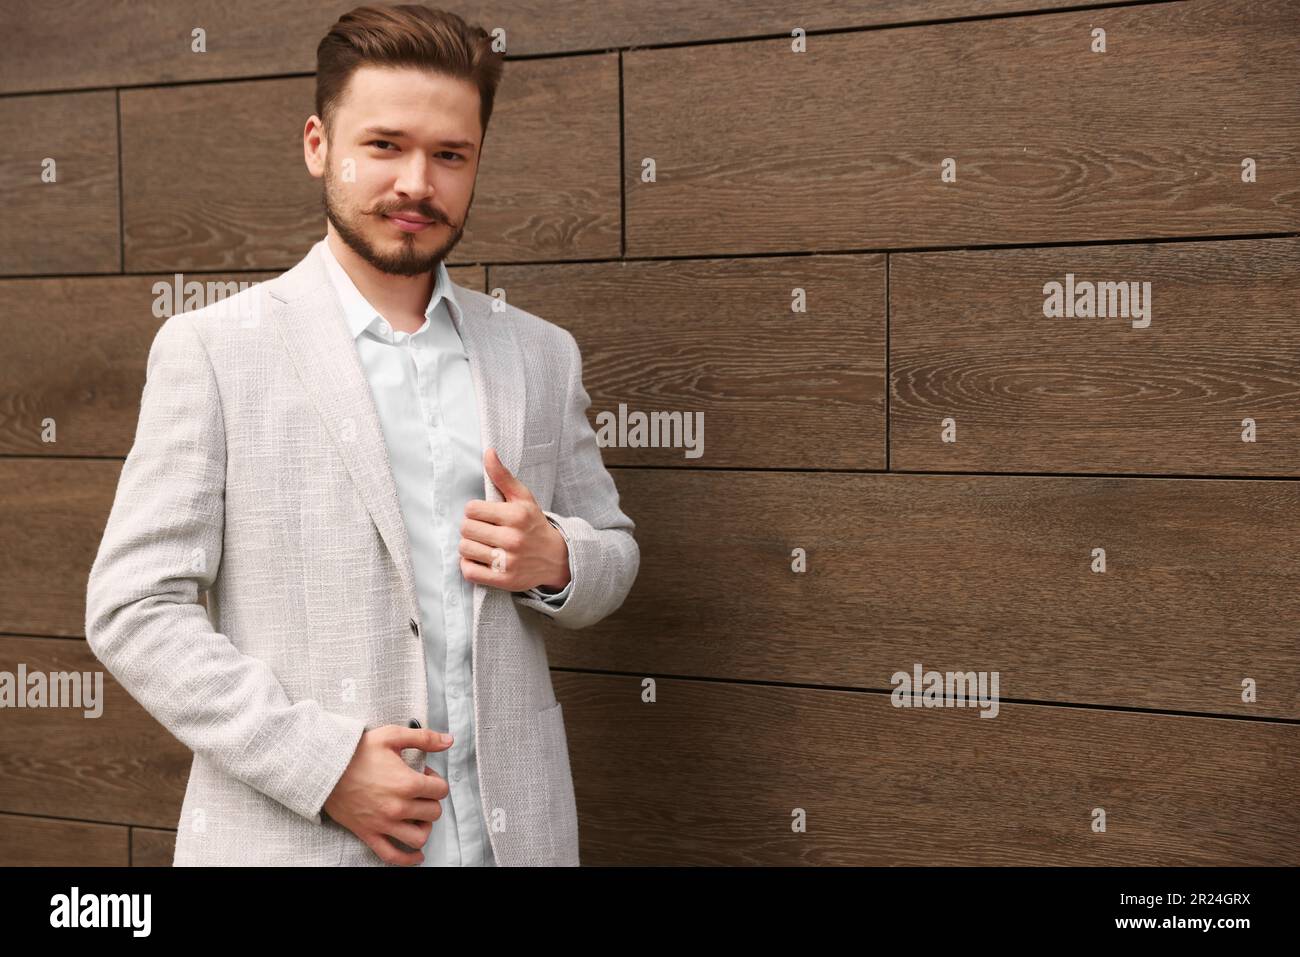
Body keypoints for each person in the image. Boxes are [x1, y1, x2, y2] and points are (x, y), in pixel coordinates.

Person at [84, 4, 639, 867]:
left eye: (449, 154)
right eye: (385, 145)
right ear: (318, 145)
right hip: (300, 840)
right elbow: (133, 610)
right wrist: (327, 764)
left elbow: (614, 551)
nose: (418, 182)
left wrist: (560, 560)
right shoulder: (213, 350)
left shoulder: (540, 354)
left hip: (513, 842)